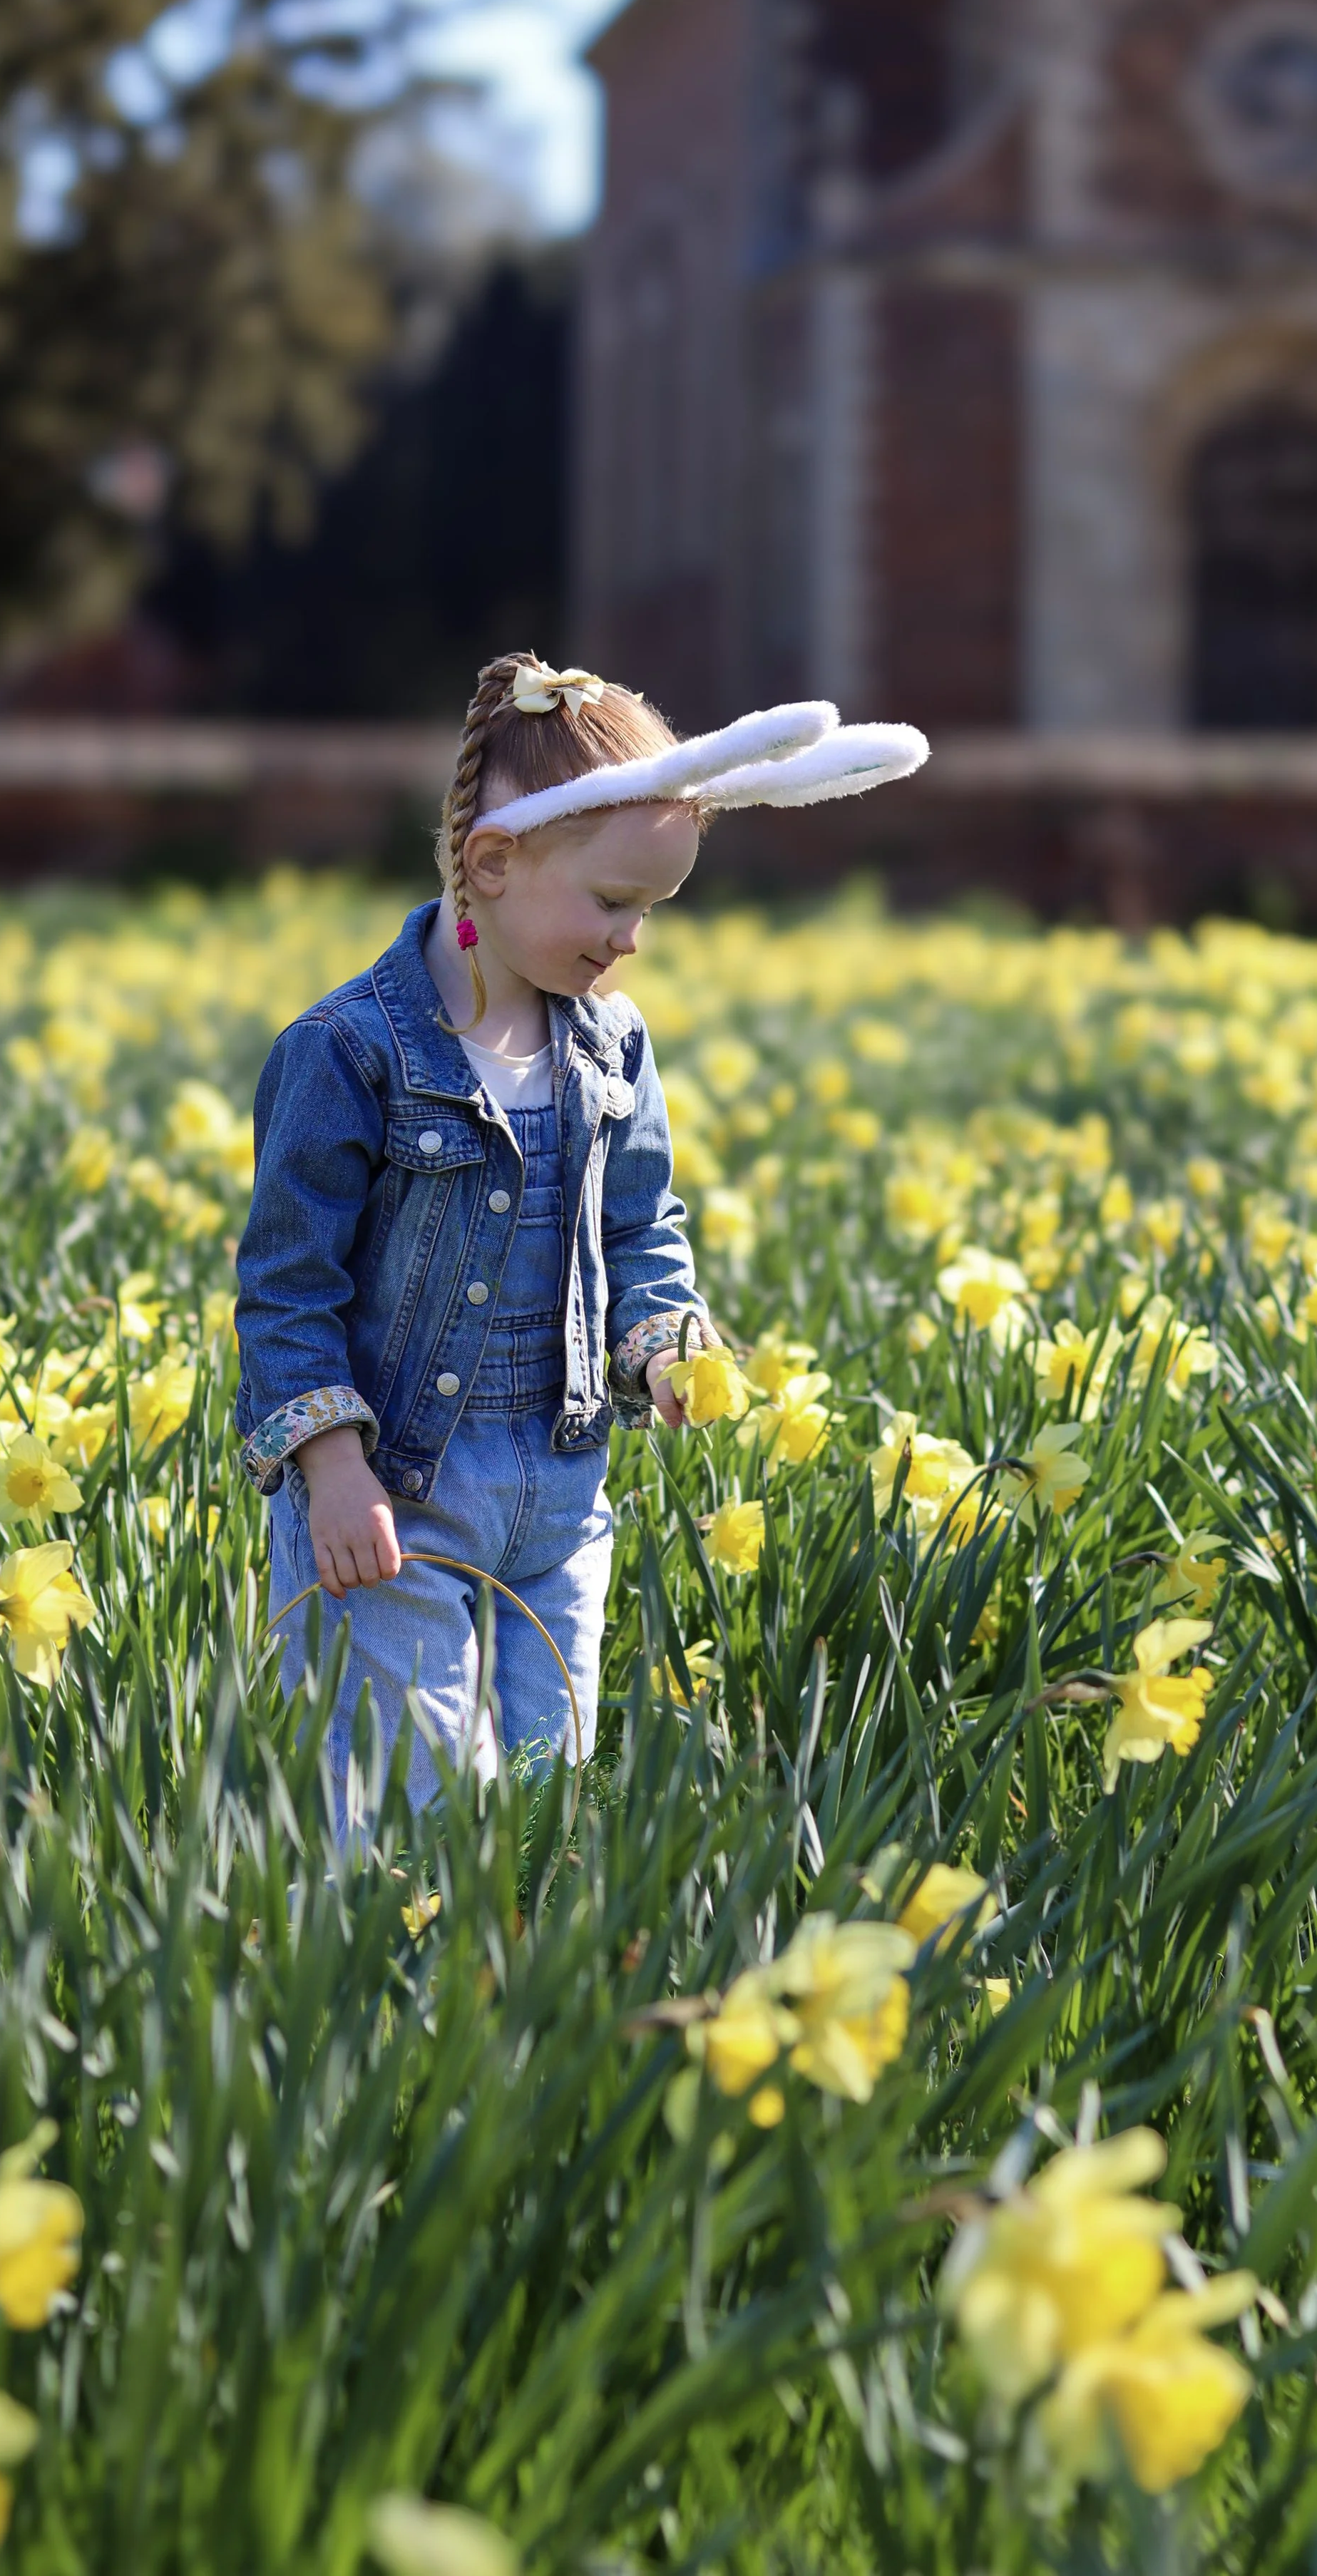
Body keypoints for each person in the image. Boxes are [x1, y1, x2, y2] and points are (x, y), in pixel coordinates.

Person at [235, 651, 928, 1834]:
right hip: (397, 1495)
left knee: (553, 1799)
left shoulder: (613, 1045)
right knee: (407, 1814)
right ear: (495, 861)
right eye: (613, 903)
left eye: (652, 912)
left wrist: (664, 1345)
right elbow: (287, 1286)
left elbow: (641, 1220)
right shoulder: (350, 1052)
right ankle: (391, 2009)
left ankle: (526, 2003)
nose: (632, 942)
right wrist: (328, 1467)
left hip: (563, 1490)